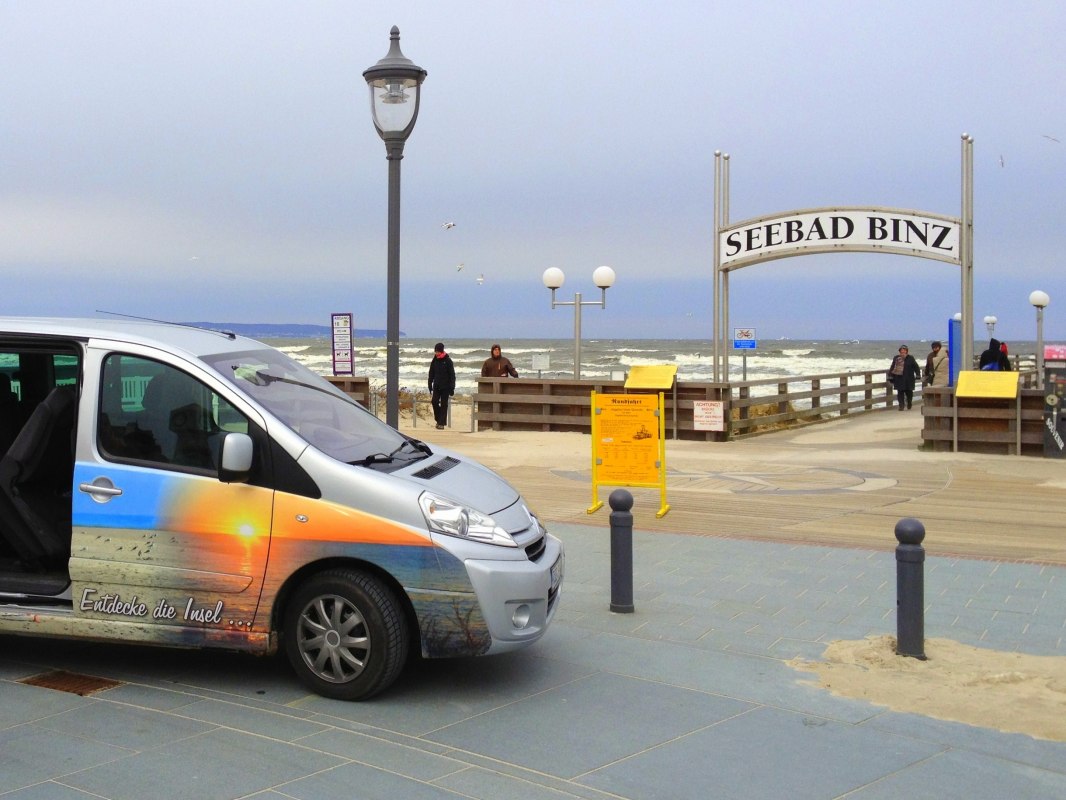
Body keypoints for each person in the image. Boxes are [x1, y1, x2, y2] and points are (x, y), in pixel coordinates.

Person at [427, 342, 455, 429]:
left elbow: (452, 375)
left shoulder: (448, 361)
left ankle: (441, 424)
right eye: (435, 351)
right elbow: (431, 373)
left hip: (446, 387)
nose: (436, 353)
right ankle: (439, 419)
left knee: (444, 405)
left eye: (438, 351)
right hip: (436, 385)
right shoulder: (434, 360)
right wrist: (430, 384)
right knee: (434, 402)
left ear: (442, 351)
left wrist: (452, 387)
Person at [886, 344, 921, 410]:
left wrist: (918, 374)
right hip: (899, 378)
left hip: (909, 378)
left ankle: (909, 402)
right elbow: (893, 367)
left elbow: (916, 367)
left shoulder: (911, 358)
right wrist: (890, 376)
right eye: (901, 351)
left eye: (904, 351)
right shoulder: (896, 358)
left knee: (909, 393)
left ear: (906, 351)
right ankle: (901, 406)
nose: (902, 352)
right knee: (900, 392)